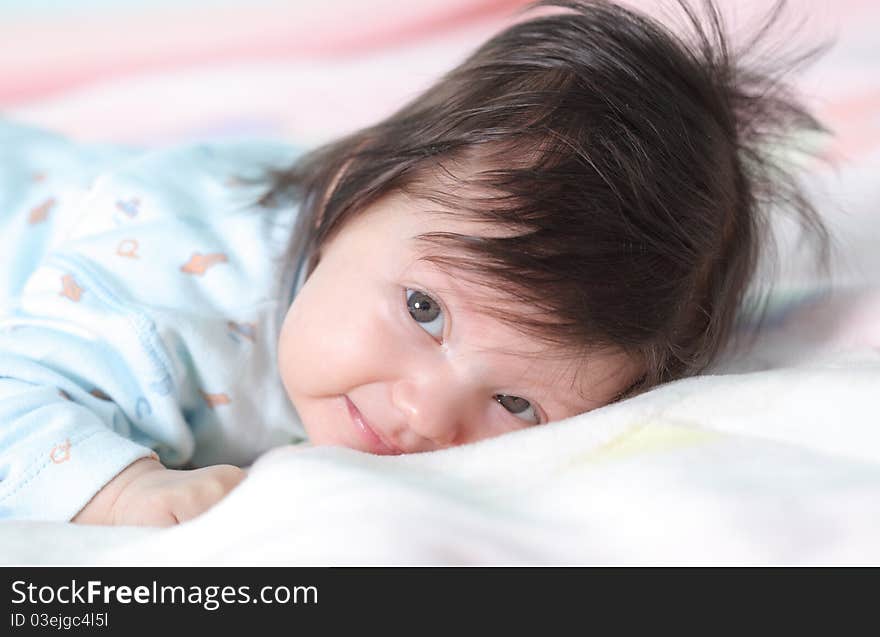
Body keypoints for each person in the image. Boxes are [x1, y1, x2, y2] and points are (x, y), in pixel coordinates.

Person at [0, 0, 831, 526]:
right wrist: (120, 491)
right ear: (344, 195)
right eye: (424, 310)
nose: (428, 413)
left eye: (515, 400)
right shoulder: (166, 307)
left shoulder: (398, 235)